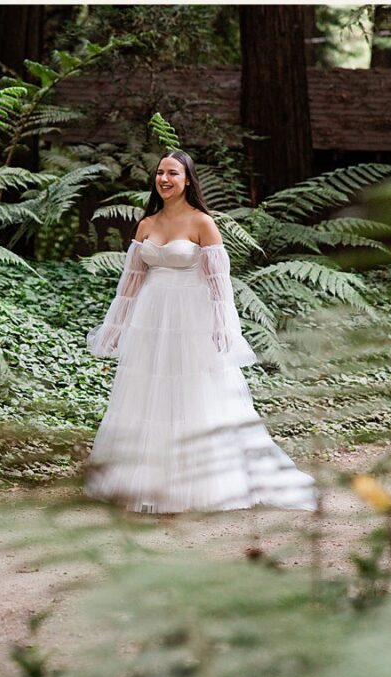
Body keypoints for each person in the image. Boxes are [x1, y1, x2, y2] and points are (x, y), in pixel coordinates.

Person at [85, 150, 317, 513]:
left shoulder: (202, 223)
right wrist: (115, 326)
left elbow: (219, 284)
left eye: (173, 173)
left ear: (188, 180)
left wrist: (225, 328)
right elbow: (129, 283)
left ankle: (200, 482)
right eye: (160, 173)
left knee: (195, 392)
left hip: (191, 319)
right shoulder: (146, 224)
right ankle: (144, 479)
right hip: (151, 319)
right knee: (149, 393)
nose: (164, 179)